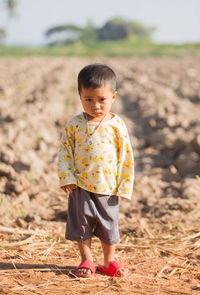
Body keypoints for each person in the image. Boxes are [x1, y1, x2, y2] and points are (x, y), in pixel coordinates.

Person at [58, 63, 134, 278]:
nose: (96, 105)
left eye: (102, 100)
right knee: (81, 224)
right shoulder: (74, 124)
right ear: (80, 96)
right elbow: (65, 151)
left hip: (108, 186)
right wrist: (67, 176)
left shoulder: (117, 125)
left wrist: (124, 185)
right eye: (88, 99)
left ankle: (109, 260)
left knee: (109, 225)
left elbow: (126, 156)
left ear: (113, 97)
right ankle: (86, 260)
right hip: (80, 185)